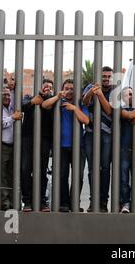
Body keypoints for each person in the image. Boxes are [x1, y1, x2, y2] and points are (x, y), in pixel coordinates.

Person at [42, 79, 90, 212]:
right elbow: (44, 105)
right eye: (67, 88)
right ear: (62, 89)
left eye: (72, 89)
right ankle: (64, 203)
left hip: (78, 146)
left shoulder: (80, 103)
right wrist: (57, 96)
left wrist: (74, 108)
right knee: (62, 175)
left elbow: (86, 120)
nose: (69, 91)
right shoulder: (57, 101)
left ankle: (74, 202)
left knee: (78, 176)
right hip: (60, 146)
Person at [82, 66, 114, 212]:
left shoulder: (115, 91)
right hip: (90, 133)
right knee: (92, 169)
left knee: (105, 168)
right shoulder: (91, 86)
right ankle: (92, 202)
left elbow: (109, 110)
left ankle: (102, 203)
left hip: (107, 133)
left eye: (108, 76)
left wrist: (100, 94)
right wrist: (91, 91)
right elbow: (85, 102)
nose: (106, 79)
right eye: (104, 76)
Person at [20, 79, 54, 212]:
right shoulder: (29, 97)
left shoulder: (52, 100)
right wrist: (33, 102)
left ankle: (41, 201)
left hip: (45, 139)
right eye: (45, 86)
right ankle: (27, 201)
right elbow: (22, 107)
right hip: (28, 138)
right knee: (25, 169)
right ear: (40, 87)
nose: (48, 88)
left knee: (42, 170)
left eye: (50, 87)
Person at [1, 87, 23, 210]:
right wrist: (13, 118)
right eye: (4, 95)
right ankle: (4, 202)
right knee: (2, 175)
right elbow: (0, 123)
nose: (7, 97)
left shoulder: (12, 108)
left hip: (14, 146)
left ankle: (14, 202)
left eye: (9, 95)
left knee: (13, 175)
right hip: (3, 146)